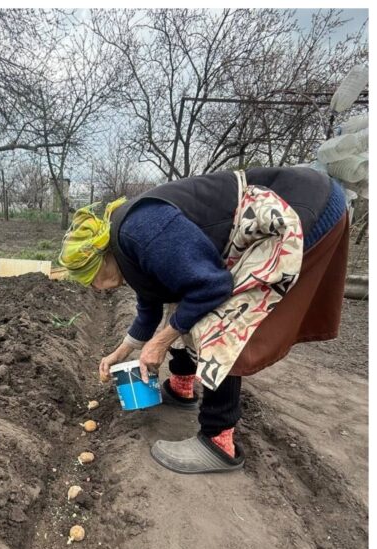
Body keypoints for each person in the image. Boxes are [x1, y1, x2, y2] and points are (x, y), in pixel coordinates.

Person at [58, 166, 349, 474]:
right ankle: (183, 385)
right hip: (285, 208)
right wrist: (121, 352)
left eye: (92, 281)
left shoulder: (142, 231)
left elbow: (212, 286)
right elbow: (151, 304)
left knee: (219, 317)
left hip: (299, 209)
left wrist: (159, 342)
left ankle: (218, 441)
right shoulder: (129, 247)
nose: (96, 289)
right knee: (182, 306)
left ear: (102, 259)